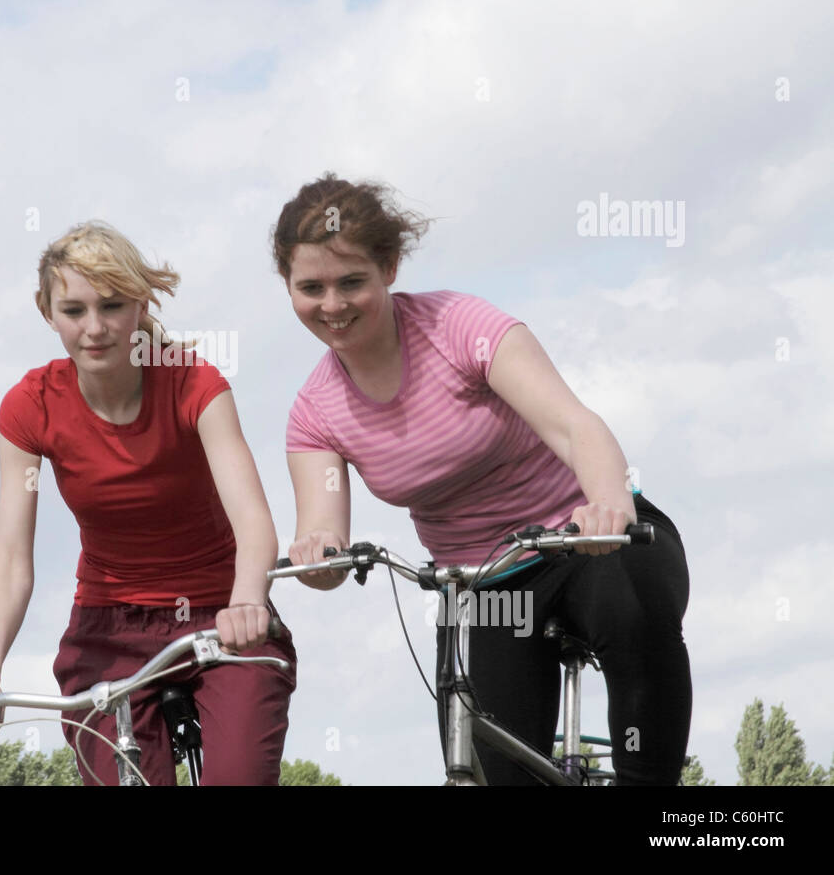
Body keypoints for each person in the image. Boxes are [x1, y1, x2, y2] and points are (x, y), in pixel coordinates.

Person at [276, 173, 691, 785]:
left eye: (351, 282)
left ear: (389, 267)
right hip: (489, 583)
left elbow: (575, 426)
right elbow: (324, 541)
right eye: (311, 288)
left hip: (585, 538)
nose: (332, 305)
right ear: (288, 285)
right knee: (494, 763)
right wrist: (316, 557)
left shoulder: (458, 328)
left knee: (633, 616)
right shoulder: (314, 413)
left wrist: (606, 506)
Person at [0, 221, 296, 785]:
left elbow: (253, 518)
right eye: (74, 310)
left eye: (112, 305)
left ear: (140, 305)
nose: (95, 328)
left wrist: (248, 602)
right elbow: (13, 556)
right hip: (107, 629)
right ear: (47, 311)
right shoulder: (29, 407)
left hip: (222, 618)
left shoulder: (193, 384)